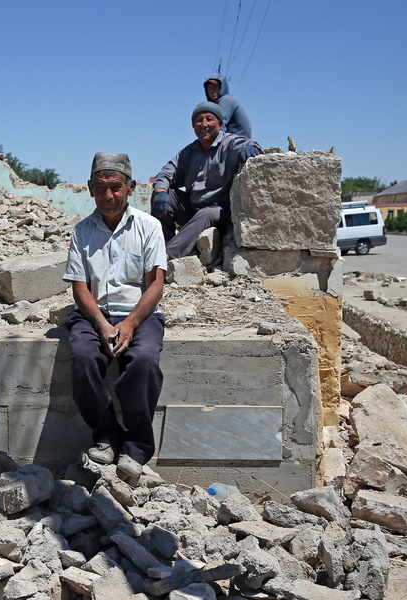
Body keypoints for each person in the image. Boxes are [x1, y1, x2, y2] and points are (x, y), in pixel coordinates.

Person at [63, 153, 167, 485]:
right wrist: (102, 324)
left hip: (140, 314)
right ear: (90, 189)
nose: (108, 196)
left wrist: (131, 323)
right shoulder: (82, 231)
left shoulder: (149, 227)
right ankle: (106, 435)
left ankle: (136, 448)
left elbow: (155, 285)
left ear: (131, 188)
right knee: (83, 357)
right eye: (101, 188)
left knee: (144, 360)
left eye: (116, 187)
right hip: (95, 314)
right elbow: (80, 288)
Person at [151, 101, 261, 260]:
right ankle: (165, 242)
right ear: (193, 126)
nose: (204, 124)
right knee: (163, 195)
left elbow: (249, 144)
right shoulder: (188, 152)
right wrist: (160, 191)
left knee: (206, 213)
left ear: (220, 123)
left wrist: (251, 149)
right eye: (199, 120)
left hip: (219, 211)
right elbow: (167, 172)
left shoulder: (229, 143)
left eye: (209, 119)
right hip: (193, 209)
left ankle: (165, 257)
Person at [204, 73, 252, 139]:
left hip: (238, 142)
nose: (212, 90)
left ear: (222, 87)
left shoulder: (226, 100)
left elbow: (220, 126)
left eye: (215, 87)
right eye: (209, 88)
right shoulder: (226, 100)